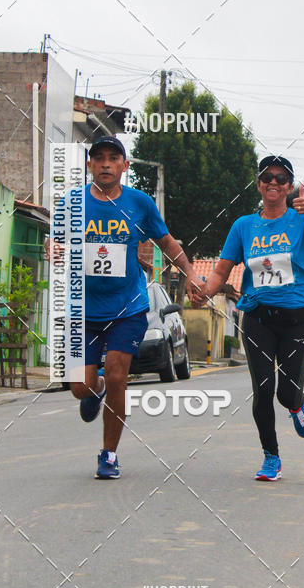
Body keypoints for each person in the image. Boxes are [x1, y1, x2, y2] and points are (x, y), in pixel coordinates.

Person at [46, 137, 203, 480]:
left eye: (113, 158)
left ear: (124, 166)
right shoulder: (72, 202)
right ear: (90, 165)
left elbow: (166, 241)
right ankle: (96, 386)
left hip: (127, 308)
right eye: (99, 158)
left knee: (119, 377)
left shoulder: (139, 203)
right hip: (81, 309)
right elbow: (55, 238)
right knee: (80, 387)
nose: (105, 163)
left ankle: (109, 454)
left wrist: (190, 272)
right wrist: (53, 247)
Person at [193, 155, 304, 481]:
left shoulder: (302, 220)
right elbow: (221, 271)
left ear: (289, 186)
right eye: (267, 177)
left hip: (298, 320)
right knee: (262, 389)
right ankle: (271, 457)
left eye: (281, 178)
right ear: (258, 184)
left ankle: (297, 405)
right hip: (258, 317)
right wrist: (205, 292)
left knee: (286, 393)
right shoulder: (243, 226)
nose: (274, 182)